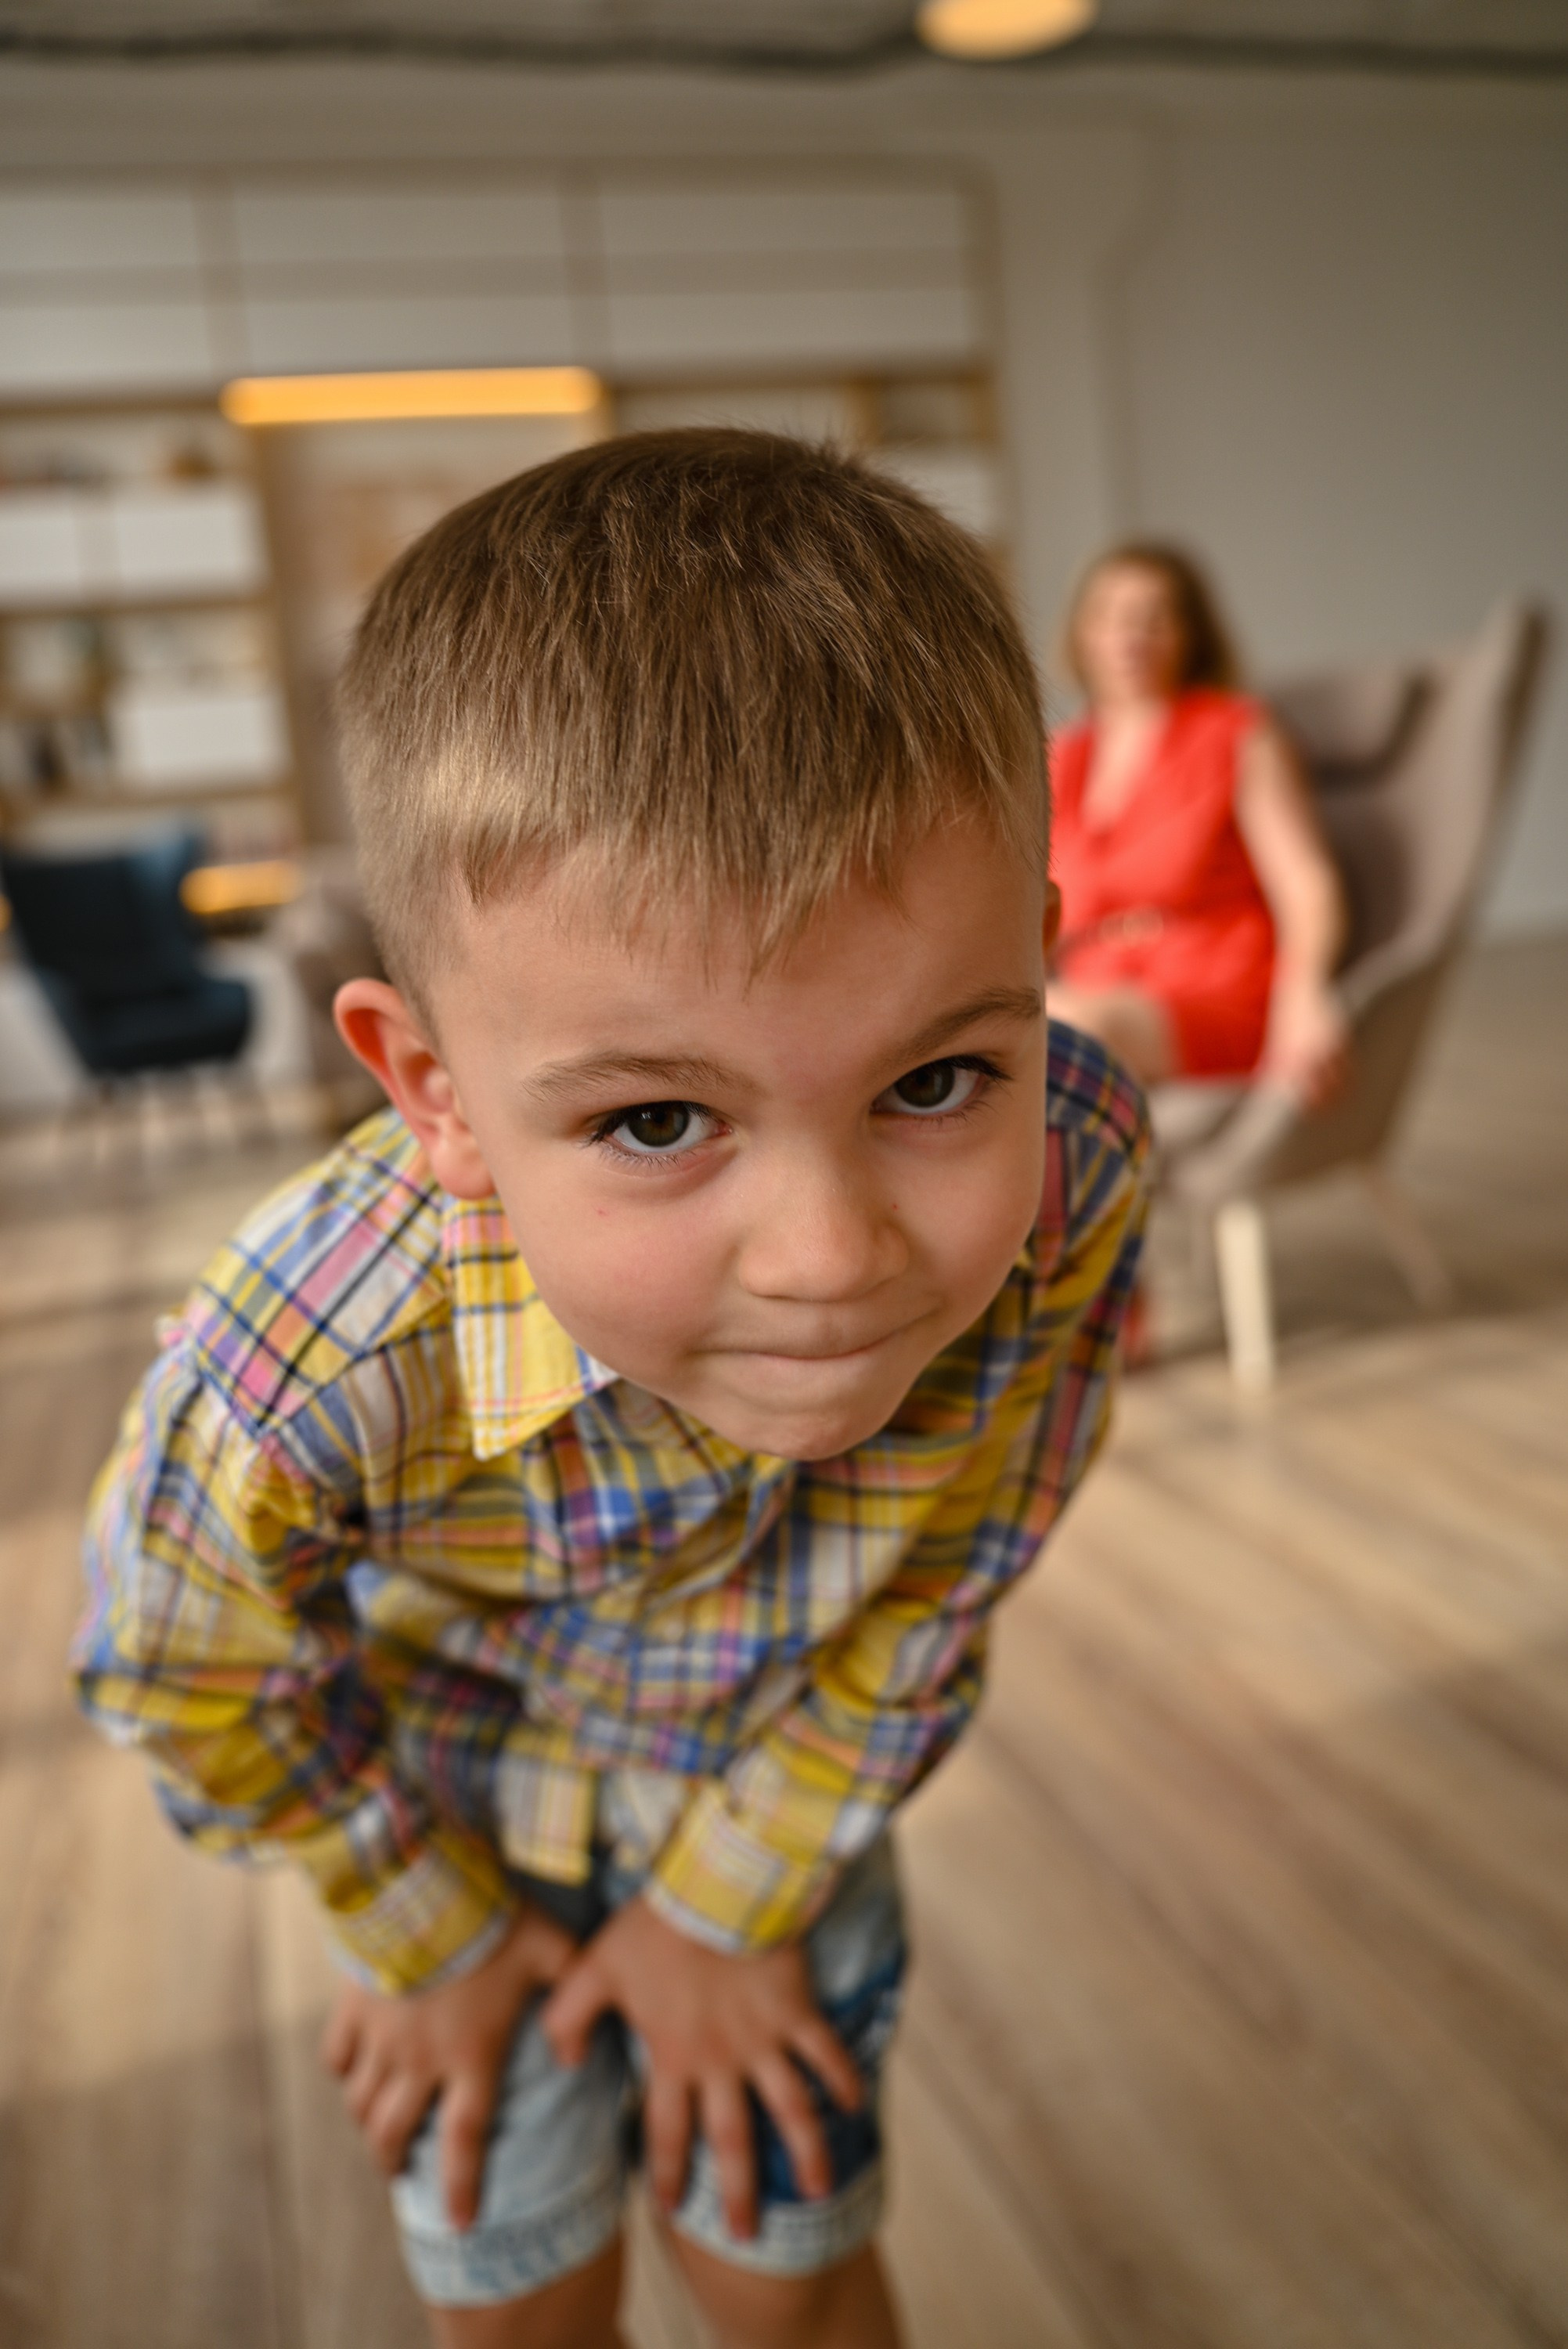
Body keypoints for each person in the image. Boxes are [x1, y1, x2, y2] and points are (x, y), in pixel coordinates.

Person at [74, 433, 1148, 2349]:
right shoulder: (309, 1361)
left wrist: (727, 1899)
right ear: (434, 1092)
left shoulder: (1074, 1168)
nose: (831, 1256)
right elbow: (180, 1664)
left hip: (776, 1781)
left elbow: (969, 1538)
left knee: (784, 2271)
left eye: (932, 1079)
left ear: (1038, 970)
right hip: (438, 1807)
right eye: (658, 1117)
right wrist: (428, 1929)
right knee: (516, 2288)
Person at [1048, 541, 1349, 1102]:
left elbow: (1305, 883)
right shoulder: (1061, 758)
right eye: (1109, 615)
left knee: (1066, 1032)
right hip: (1091, 990)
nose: (1130, 636)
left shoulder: (1236, 733)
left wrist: (1305, 996)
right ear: (1081, 633)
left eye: (1154, 618)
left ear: (1192, 634)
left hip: (1213, 988)